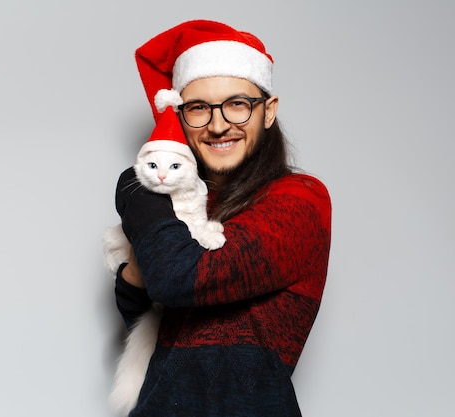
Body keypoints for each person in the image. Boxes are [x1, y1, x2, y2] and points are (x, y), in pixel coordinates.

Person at [112, 19, 332, 416]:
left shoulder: (301, 199)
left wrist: (134, 184)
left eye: (237, 104)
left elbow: (177, 279)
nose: (217, 125)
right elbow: (139, 307)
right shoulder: (188, 201)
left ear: (268, 111)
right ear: (180, 116)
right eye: (198, 108)